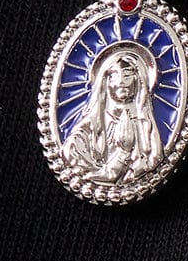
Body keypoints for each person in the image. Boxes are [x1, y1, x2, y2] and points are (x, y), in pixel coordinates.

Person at [62, 42, 163, 183]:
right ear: (105, 82)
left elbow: (153, 160)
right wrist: (123, 153)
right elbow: (74, 159)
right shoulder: (87, 129)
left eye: (127, 75)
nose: (121, 81)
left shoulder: (146, 127)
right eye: (114, 76)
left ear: (139, 80)